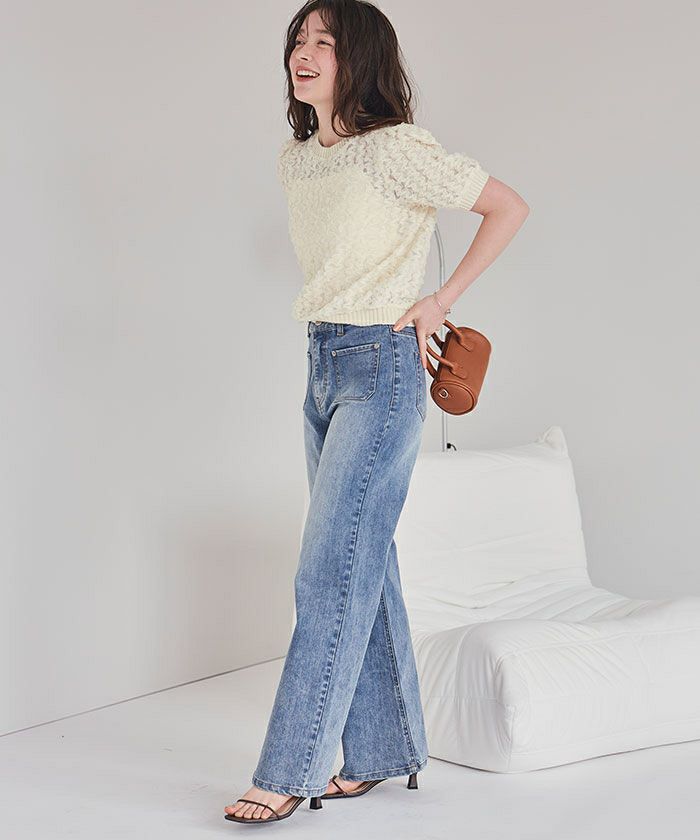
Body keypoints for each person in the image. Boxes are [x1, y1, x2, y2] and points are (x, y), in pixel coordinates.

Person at [224, 0, 529, 825]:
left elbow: (507, 205)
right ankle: (385, 750)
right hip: (322, 365)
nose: (304, 52)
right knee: (366, 561)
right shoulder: (297, 161)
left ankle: (289, 769)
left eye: (324, 41)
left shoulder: (398, 149)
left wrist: (440, 299)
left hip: (382, 370)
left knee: (328, 571)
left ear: (358, 56)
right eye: (298, 39)